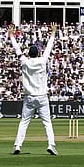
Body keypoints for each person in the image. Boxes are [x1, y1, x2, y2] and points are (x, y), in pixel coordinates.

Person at [10, 24, 57, 156]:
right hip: (42, 96)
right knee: (47, 122)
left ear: (29, 54)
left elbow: (17, 49)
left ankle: (17, 146)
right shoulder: (42, 61)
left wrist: (12, 36)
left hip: (29, 97)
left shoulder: (24, 61)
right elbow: (49, 48)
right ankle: (51, 144)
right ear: (38, 53)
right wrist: (53, 33)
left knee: (24, 122)